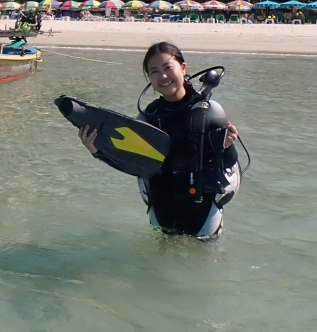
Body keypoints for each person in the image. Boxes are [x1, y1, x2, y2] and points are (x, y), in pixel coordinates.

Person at [78, 41, 242, 237]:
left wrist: (227, 146)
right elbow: (133, 165)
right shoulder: (148, 117)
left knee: (207, 255)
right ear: (149, 77)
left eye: (168, 67)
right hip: (162, 204)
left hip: (203, 207)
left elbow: (228, 163)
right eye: (154, 71)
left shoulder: (209, 110)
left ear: (183, 68)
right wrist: (97, 151)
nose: (163, 76)